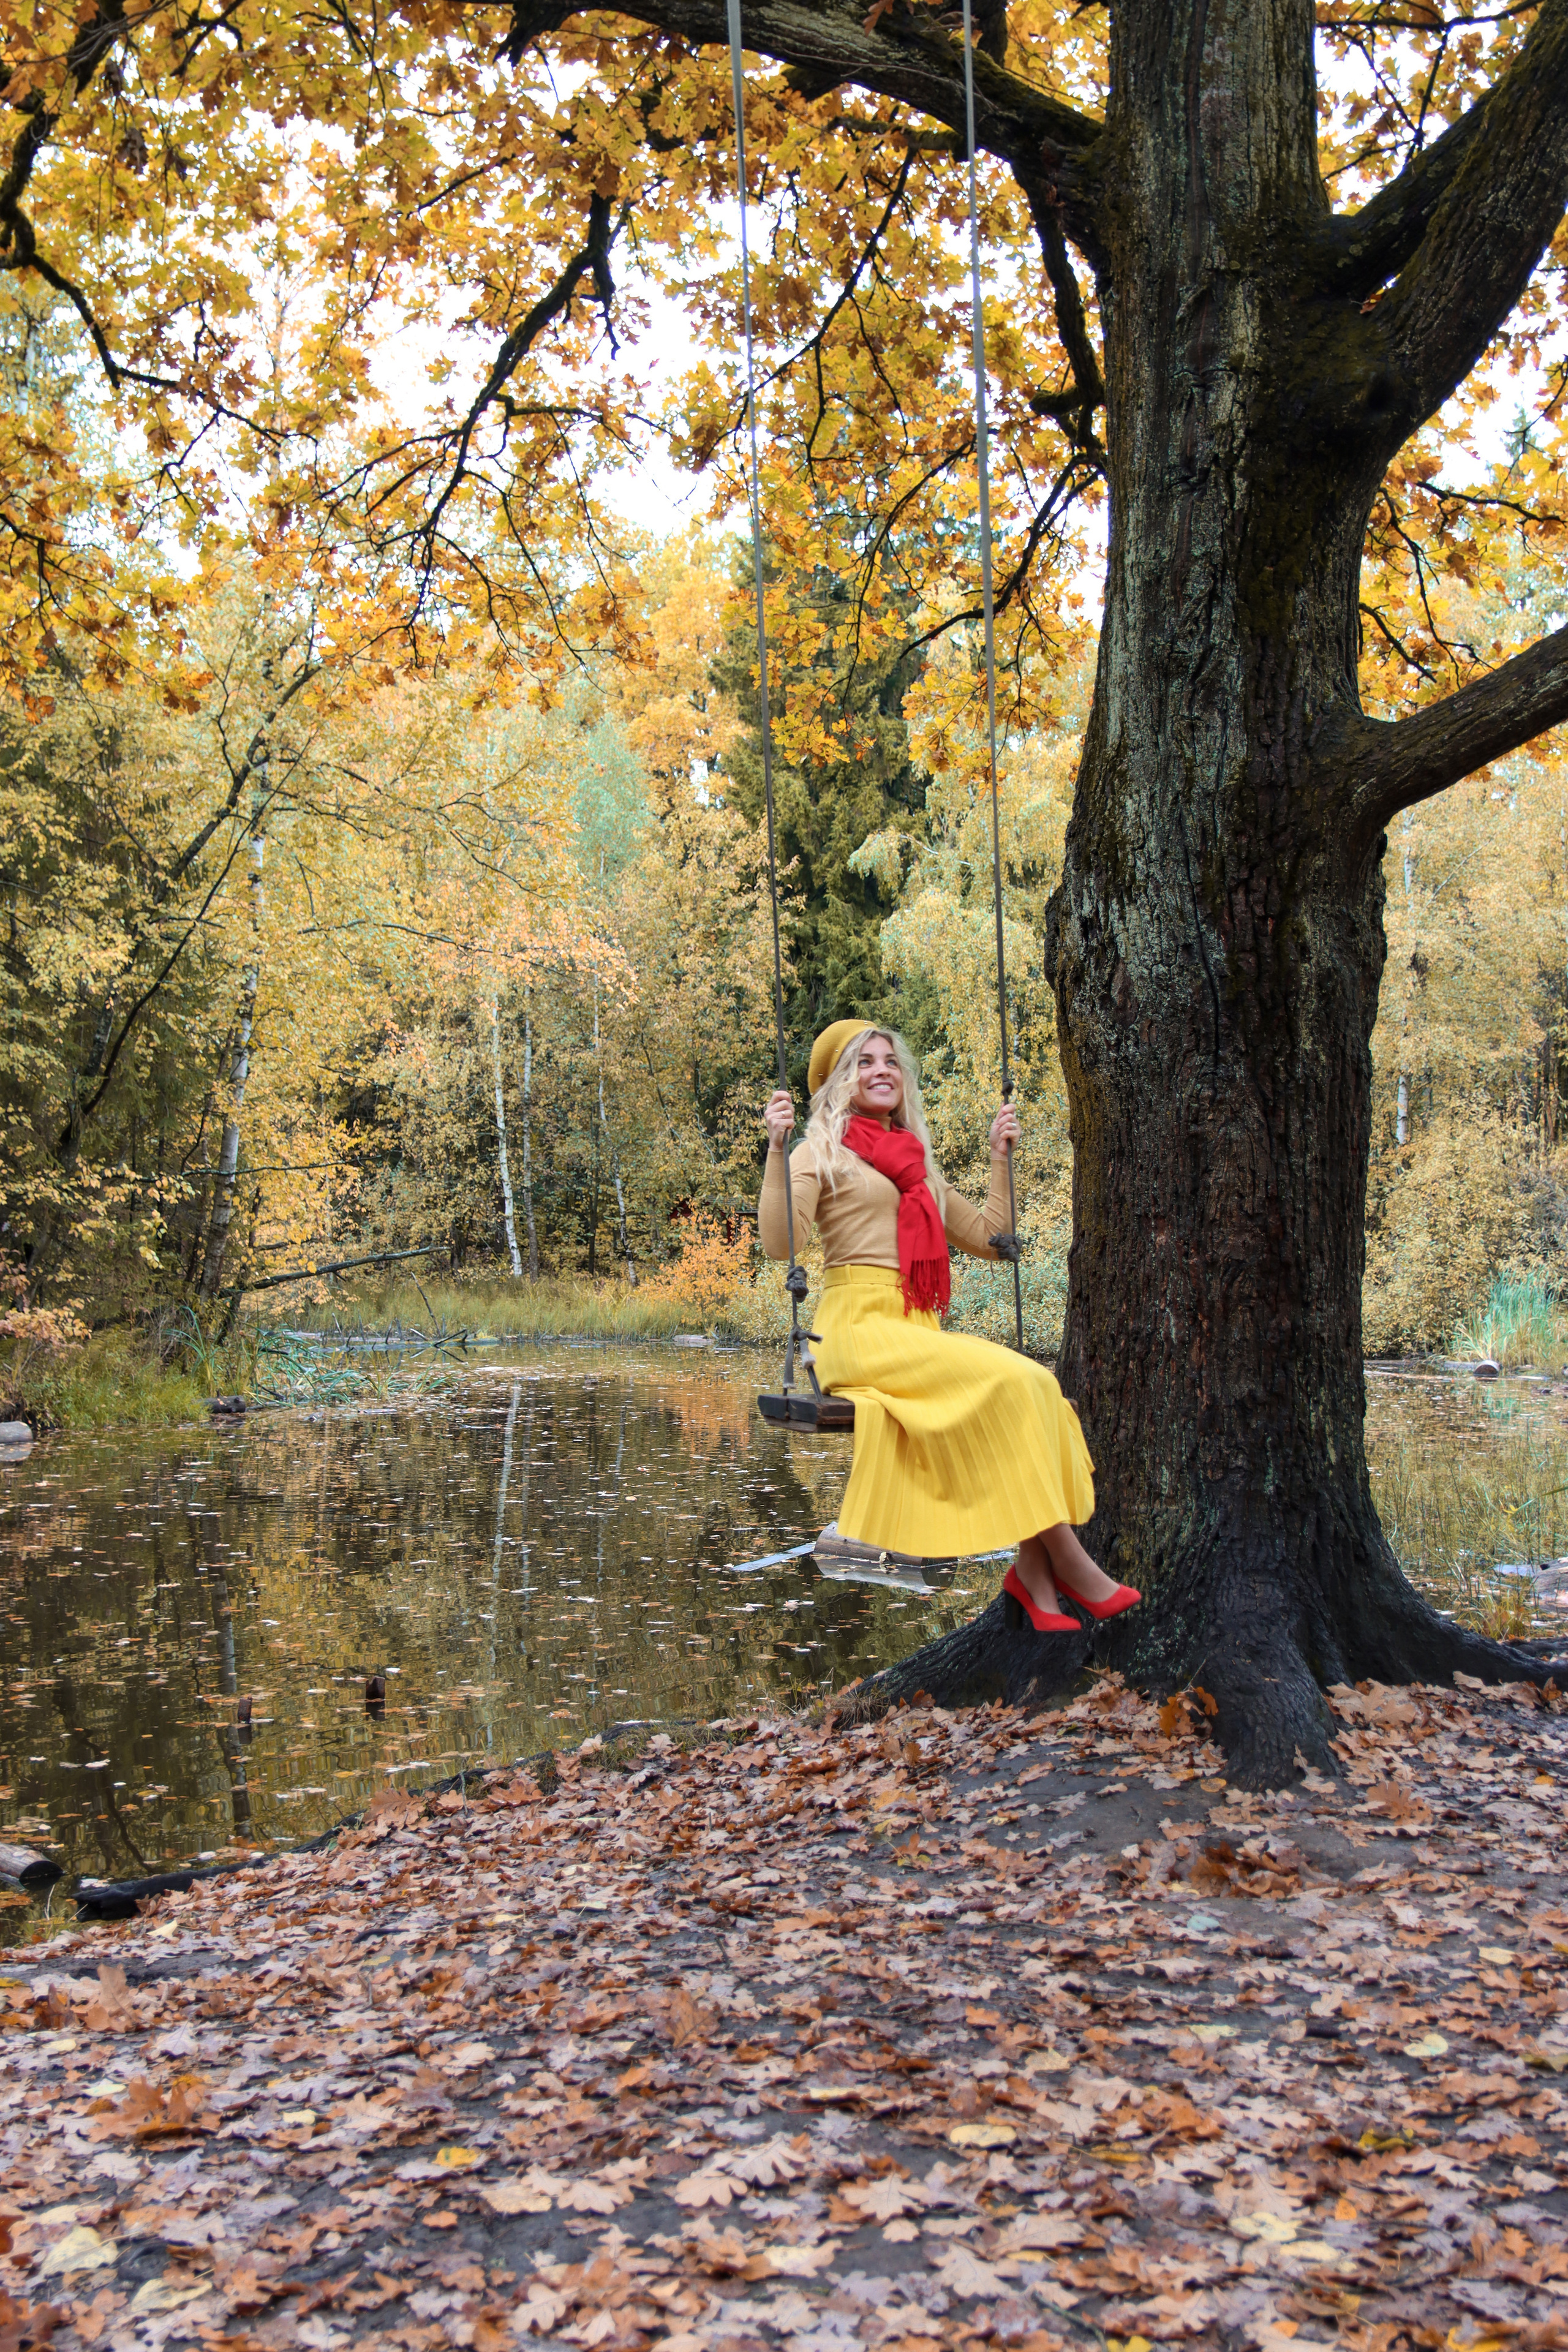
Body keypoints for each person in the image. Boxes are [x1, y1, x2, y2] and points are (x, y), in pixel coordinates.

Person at [759, 1020, 1139, 1632]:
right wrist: (776, 1151)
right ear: (836, 1083)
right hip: (858, 1328)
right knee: (1022, 1385)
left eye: (890, 1060)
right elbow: (783, 1245)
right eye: (863, 1062)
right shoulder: (816, 1153)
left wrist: (998, 1157)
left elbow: (995, 1238)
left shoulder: (917, 1169)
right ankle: (1070, 1566)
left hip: (914, 1328)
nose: (881, 1070)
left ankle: (1033, 1577)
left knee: (1035, 1387)